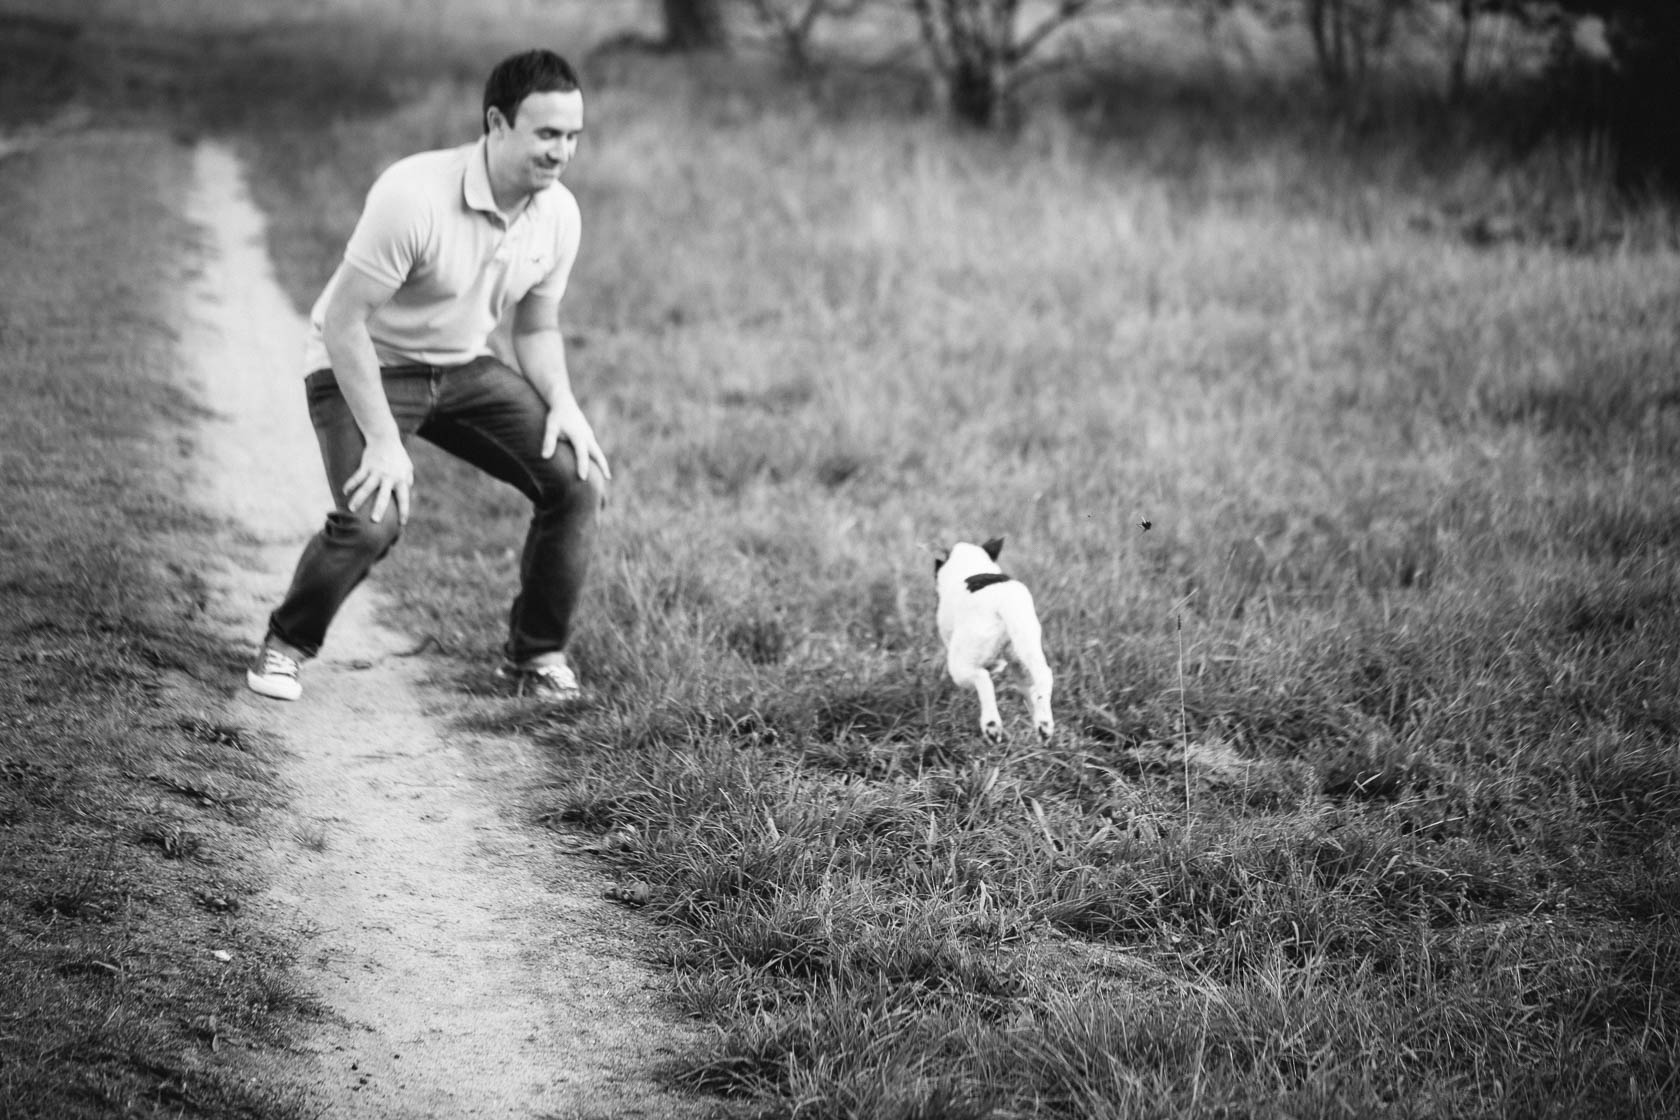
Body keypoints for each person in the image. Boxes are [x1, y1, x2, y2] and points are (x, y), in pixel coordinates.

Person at [246, 48, 608, 704]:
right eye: (547, 134)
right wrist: (384, 441)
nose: (562, 152)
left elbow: (535, 327)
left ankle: (535, 657)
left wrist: (564, 402)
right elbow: (345, 323)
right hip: (363, 363)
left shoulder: (558, 214)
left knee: (578, 482)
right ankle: (286, 645)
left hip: (464, 369)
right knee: (372, 518)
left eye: (573, 136)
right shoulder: (413, 195)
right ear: (497, 124)